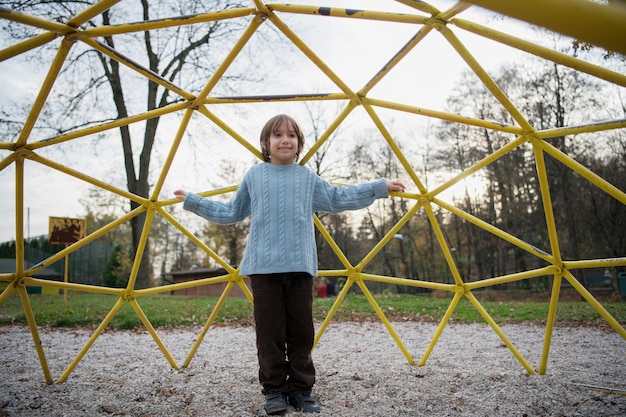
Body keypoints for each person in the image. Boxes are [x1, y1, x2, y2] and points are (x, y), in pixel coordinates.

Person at [174, 114, 406, 415]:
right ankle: (274, 391)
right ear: (265, 143)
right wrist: (194, 201)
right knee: (269, 333)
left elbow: (338, 197)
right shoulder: (254, 177)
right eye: (278, 135)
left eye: (292, 135)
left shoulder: (307, 178)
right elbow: (231, 211)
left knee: (301, 331)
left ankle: (301, 389)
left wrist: (378, 187)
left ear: (299, 144)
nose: (285, 140)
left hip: (300, 267)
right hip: (263, 267)